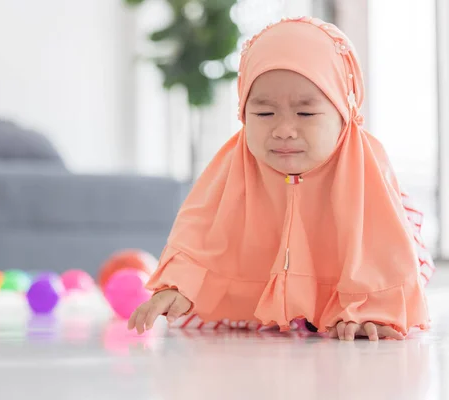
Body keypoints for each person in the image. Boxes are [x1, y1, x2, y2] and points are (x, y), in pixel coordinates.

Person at [127, 17, 435, 341]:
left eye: (306, 114)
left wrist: (373, 310)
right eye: (263, 113)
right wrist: (180, 286)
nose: (284, 129)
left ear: (344, 114)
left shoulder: (366, 175)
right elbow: (202, 235)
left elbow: (385, 253)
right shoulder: (233, 170)